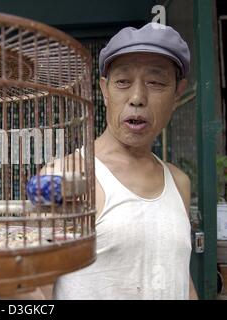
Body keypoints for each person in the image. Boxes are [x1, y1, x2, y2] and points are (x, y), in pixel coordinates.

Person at [38, 22, 198, 300]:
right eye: (123, 82)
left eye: (156, 83)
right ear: (104, 90)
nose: (137, 98)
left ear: (177, 94)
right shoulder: (66, 177)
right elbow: (34, 293)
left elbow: (180, 280)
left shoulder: (179, 182)